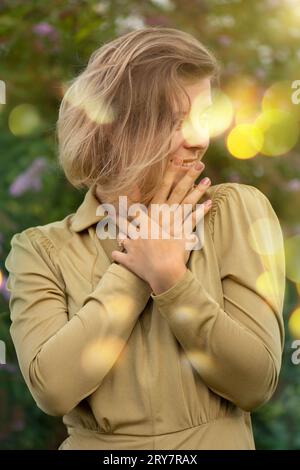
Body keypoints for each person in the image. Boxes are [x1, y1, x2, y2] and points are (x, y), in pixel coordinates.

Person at [5, 26, 285, 450]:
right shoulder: (40, 250)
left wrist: (173, 280)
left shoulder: (235, 213)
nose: (197, 139)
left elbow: (255, 382)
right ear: (112, 127)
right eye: (174, 121)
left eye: (203, 116)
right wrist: (140, 267)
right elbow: (54, 389)